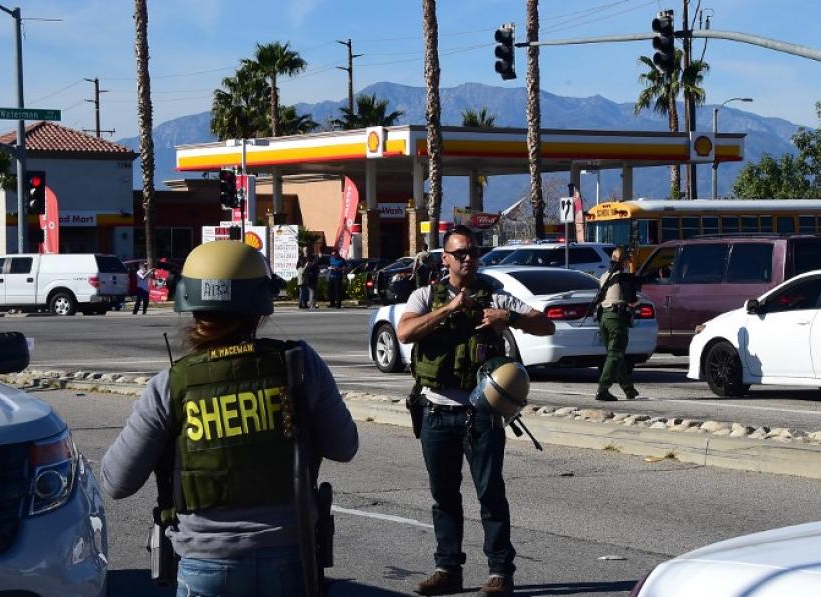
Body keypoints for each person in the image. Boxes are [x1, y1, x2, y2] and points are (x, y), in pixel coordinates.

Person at [101, 240, 358, 596]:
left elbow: (117, 482)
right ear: (259, 310)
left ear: (190, 307)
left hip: (204, 566)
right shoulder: (300, 365)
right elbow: (344, 447)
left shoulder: (170, 385)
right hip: (291, 559)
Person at [396, 225, 555, 597]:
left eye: (472, 251)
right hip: (436, 410)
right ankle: (447, 569)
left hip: (480, 411)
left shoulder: (496, 296)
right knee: (444, 495)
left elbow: (545, 324)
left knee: (490, 493)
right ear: (445, 259)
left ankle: (500, 572)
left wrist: (509, 319)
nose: (468, 258)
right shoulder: (425, 295)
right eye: (460, 253)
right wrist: (449, 308)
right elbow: (405, 333)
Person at [595, 246, 640, 401]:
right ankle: (603, 389)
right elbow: (631, 300)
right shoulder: (623, 277)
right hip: (616, 319)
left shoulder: (605, 276)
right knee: (615, 355)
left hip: (604, 318)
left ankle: (629, 389)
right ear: (624, 261)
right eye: (628, 260)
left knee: (616, 355)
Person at [297, 245, 320, 310]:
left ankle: (312, 305)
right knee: (303, 292)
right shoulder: (300, 258)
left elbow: (316, 267)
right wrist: (305, 266)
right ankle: (302, 304)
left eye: (307, 250)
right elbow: (298, 268)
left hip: (312, 277)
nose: (306, 252)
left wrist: (316, 273)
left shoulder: (313, 258)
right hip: (304, 278)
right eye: (305, 250)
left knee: (312, 292)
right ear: (303, 251)